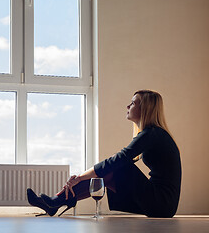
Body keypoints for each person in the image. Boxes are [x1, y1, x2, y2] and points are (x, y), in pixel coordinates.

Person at [27, 90, 182, 218]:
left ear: (145, 109)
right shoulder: (153, 134)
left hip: (162, 203)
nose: (128, 105)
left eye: (133, 103)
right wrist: (82, 177)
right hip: (161, 201)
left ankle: (58, 201)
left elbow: (120, 159)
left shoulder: (152, 133)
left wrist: (80, 177)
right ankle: (57, 201)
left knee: (118, 166)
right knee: (115, 167)